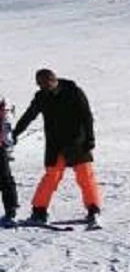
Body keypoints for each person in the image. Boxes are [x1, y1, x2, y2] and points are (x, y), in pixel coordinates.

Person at [12, 69, 102, 227]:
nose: (43, 88)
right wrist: (15, 133)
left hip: (77, 142)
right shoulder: (41, 96)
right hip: (55, 144)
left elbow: (86, 115)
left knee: (85, 176)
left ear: (54, 80)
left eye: (45, 84)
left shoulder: (74, 92)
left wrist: (90, 138)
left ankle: (93, 210)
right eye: (40, 85)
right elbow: (29, 115)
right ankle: (39, 211)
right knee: (51, 177)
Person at [0, 96, 19, 227]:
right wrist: (9, 144)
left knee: (6, 180)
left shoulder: (5, 110)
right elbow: (8, 133)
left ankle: (11, 211)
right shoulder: (5, 110)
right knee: (6, 180)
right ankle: (11, 211)